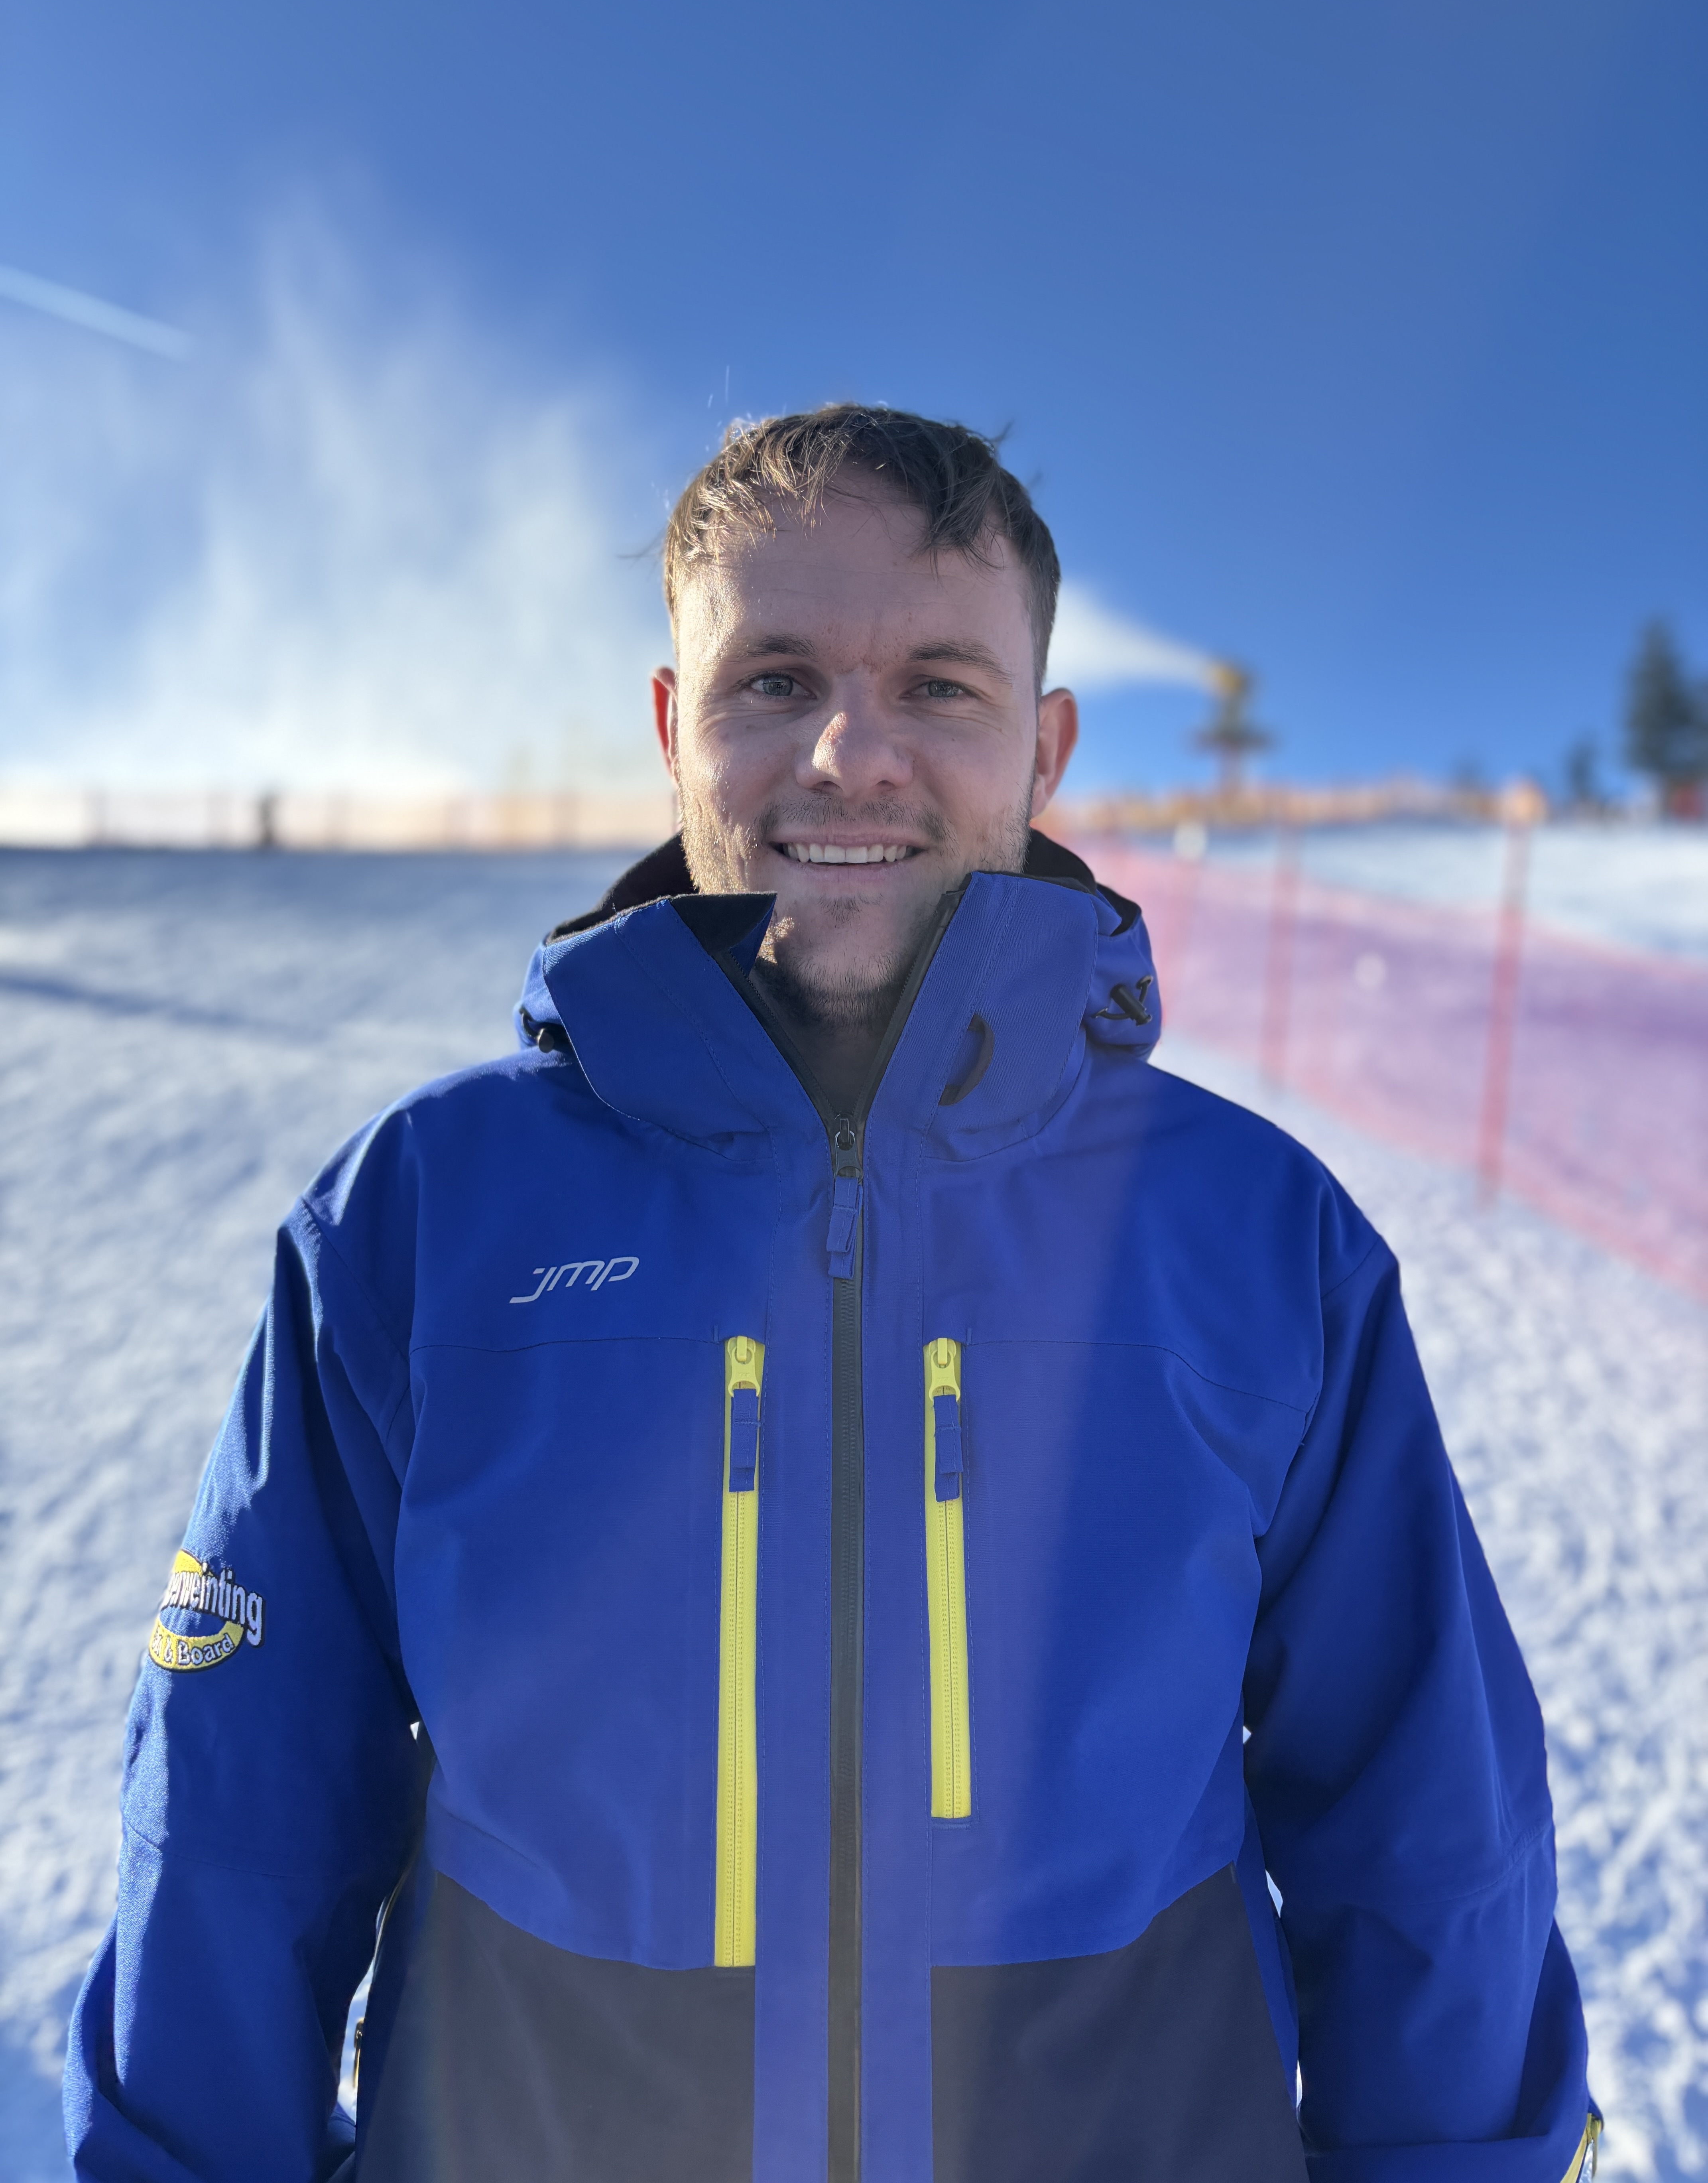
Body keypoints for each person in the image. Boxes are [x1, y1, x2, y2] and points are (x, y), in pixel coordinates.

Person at [65, 406, 1597, 2183]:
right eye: (774, 680)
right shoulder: (419, 1216)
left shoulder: (1255, 1235)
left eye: (939, 686)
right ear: (674, 727)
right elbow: (240, 1811)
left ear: (1043, 746)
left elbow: (1426, 1817)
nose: (849, 754)